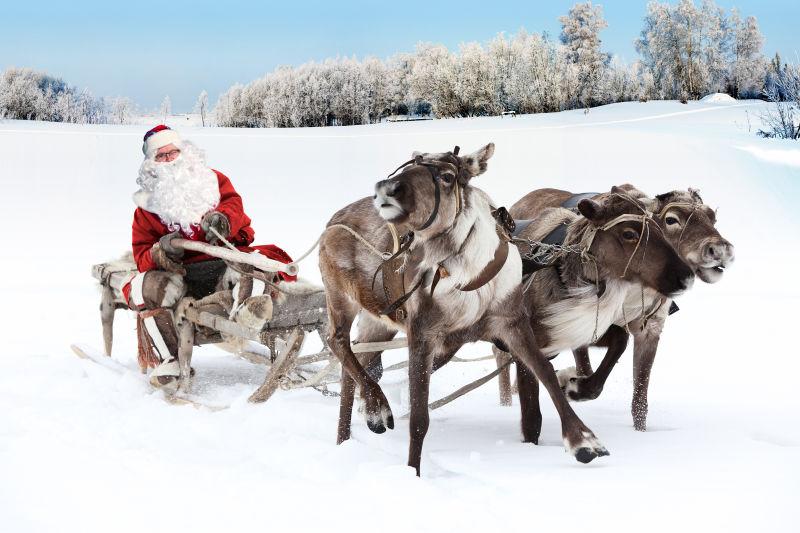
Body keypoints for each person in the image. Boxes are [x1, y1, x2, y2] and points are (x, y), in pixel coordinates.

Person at [122, 125, 294, 386]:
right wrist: (161, 250)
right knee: (144, 285)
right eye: (161, 156)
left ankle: (246, 315)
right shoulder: (145, 208)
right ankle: (170, 360)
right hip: (181, 275)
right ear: (151, 164)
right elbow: (141, 254)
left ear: (185, 152)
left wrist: (223, 220)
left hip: (222, 263)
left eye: (173, 152)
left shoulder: (213, 181)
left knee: (255, 263)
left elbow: (235, 208)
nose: (169, 160)